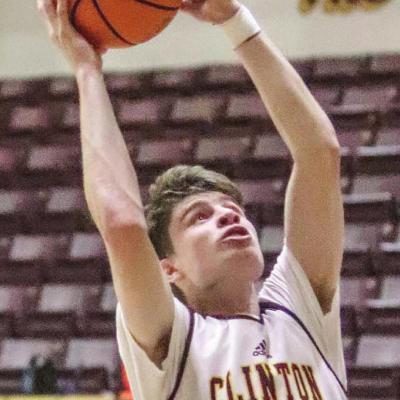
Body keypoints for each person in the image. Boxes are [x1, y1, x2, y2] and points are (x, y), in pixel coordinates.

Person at [38, 0, 346, 398]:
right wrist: (87, 71)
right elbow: (123, 224)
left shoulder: (300, 311)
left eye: (233, 210)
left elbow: (320, 154)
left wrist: (235, 21)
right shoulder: (177, 341)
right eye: (199, 218)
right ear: (168, 269)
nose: (228, 218)